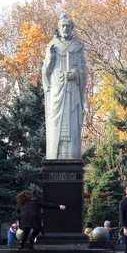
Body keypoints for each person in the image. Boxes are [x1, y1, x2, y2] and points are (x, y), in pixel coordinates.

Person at [42, 16, 87, 160]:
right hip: (56, 88)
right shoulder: (52, 45)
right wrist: (50, 58)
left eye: (68, 26)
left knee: (72, 121)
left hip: (72, 89)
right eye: (63, 26)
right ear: (59, 28)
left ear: (72, 28)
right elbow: (45, 72)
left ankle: (72, 154)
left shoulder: (78, 47)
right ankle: (54, 155)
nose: (65, 28)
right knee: (55, 120)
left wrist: (75, 74)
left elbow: (84, 70)